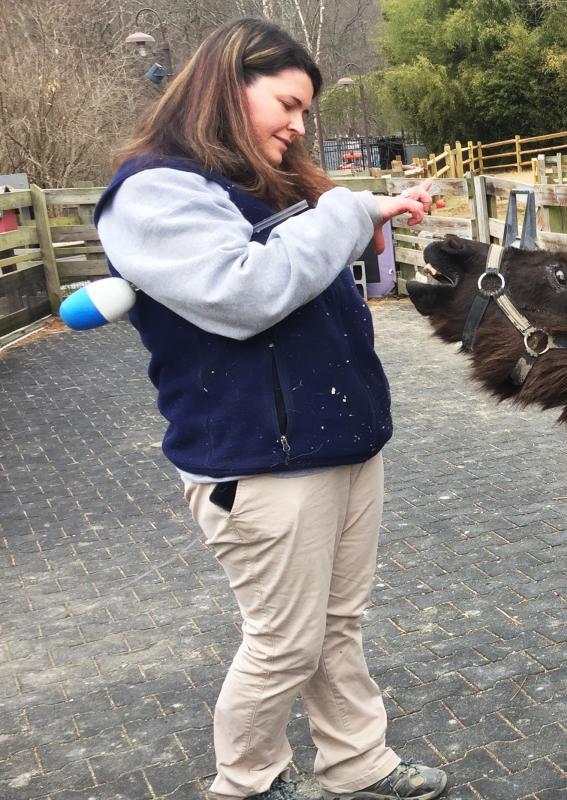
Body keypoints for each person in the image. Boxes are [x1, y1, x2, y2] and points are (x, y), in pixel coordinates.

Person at [94, 18, 446, 800]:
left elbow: (311, 264)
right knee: (285, 643)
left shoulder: (263, 182)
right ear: (229, 84)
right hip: (258, 462)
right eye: (285, 104)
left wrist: (371, 219)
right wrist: (349, 209)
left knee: (337, 626)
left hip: (340, 443)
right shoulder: (155, 191)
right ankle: (245, 783)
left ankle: (358, 763)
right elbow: (247, 291)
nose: (296, 125)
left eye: (303, 112)